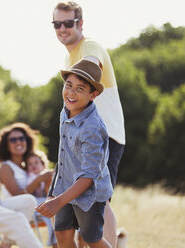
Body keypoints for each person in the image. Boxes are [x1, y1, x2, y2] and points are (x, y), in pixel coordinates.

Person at [52, 2, 125, 247]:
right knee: (80, 205)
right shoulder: (69, 54)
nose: (62, 28)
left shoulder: (89, 46)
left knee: (98, 202)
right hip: (78, 136)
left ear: (80, 23)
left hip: (105, 135)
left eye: (68, 23)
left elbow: (91, 65)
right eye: (57, 24)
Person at [36, 58, 113, 248]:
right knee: (62, 236)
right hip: (65, 187)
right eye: (68, 85)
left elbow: (89, 176)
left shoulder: (92, 128)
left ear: (93, 95)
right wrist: (54, 194)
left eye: (80, 89)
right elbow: (63, 156)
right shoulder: (66, 111)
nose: (71, 93)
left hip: (90, 195)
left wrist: (57, 202)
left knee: (91, 240)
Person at [0, 123, 58, 247]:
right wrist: (39, 180)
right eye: (13, 140)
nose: (18, 142)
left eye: (22, 138)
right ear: (6, 145)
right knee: (54, 210)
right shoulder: (6, 167)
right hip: (15, 207)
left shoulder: (27, 168)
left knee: (58, 206)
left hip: (32, 206)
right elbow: (16, 195)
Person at [25, 150, 57, 248]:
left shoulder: (46, 175)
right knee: (51, 214)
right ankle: (55, 241)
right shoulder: (29, 177)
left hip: (45, 200)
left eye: (36, 163)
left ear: (43, 165)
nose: (33, 165)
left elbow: (49, 193)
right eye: (30, 164)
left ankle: (57, 239)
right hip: (35, 203)